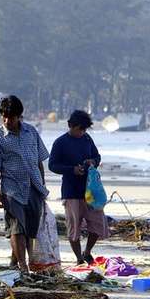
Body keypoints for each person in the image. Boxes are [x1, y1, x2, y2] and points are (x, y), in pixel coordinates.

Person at [0, 95, 49, 273]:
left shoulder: (31, 132)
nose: (7, 120)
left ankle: (14, 262)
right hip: (12, 189)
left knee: (30, 228)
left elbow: (39, 161)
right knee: (16, 227)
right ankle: (23, 265)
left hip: (34, 187)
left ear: (19, 116)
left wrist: (42, 187)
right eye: (3, 116)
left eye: (11, 117)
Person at [49, 110, 109, 265]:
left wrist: (92, 162)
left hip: (90, 190)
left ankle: (87, 251)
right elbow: (52, 165)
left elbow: (97, 156)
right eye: (79, 129)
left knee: (97, 223)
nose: (82, 132)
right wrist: (72, 170)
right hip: (71, 191)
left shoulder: (87, 139)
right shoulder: (60, 142)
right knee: (74, 228)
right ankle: (78, 258)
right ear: (70, 126)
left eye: (84, 129)